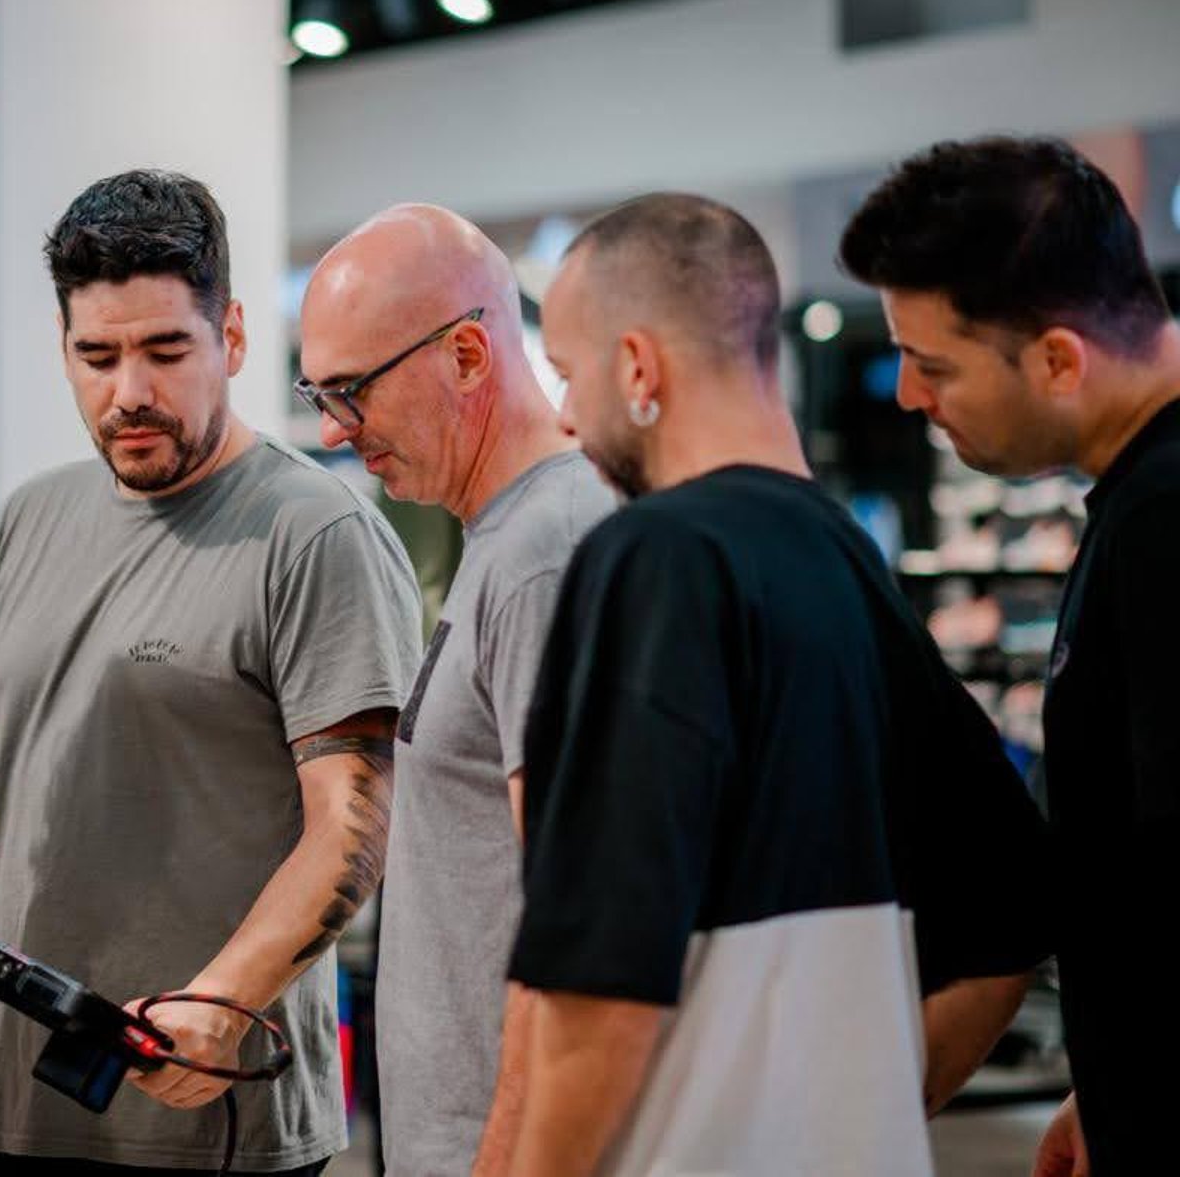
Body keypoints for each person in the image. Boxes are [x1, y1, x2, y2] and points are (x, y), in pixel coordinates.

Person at [494, 193, 1054, 1175]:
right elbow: (1013, 911)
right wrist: (870, 1109)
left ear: (637, 367)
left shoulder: (652, 558)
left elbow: (601, 991)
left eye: (570, 373)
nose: (567, 414)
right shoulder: (849, 560)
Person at [0, 169, 422, 1177]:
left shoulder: (314, 532)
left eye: (164, 350)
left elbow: (356, 823)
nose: (128, 391)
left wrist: (223, 1000)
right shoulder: (27, 522)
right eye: (96, 355)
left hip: (212, 1116)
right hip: (14, 1104)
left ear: (230, 339)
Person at [839, 135, 1180, 1177]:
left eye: (935, 363)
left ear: (1060, 359)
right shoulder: (1136, 502)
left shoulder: (1168, 519)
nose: (906, 394)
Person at [294, 203, 612, 1175]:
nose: (334, 430)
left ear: (469, 355)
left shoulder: (544, 557)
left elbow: (575, 926)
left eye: (351, 392)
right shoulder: (505, 542)